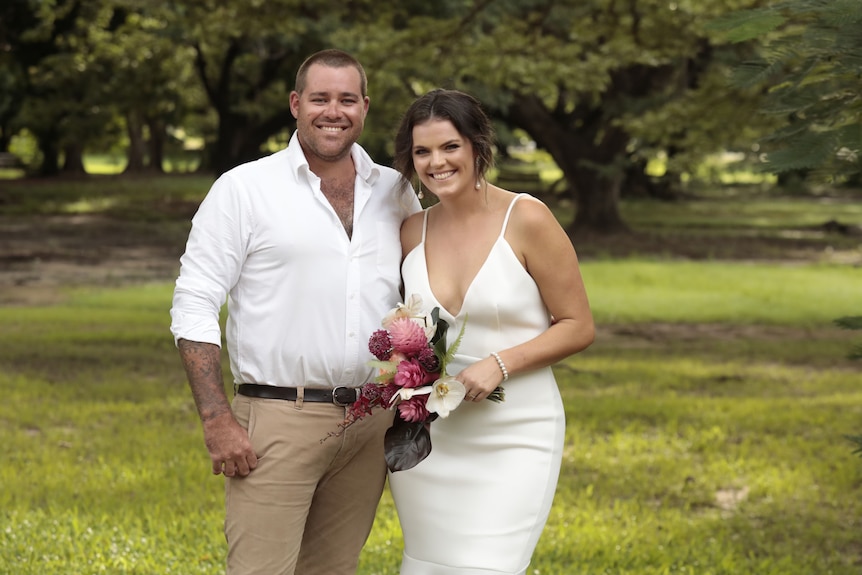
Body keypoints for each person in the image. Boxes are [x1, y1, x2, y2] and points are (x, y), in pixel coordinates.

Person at [169, 49, 421, 575]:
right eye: (320, 98)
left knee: (333, 568)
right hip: (278, 420)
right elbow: (194, 301)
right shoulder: (244, 189)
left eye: (347, 99)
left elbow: (420, 293)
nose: (334, 111)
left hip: (369, 422)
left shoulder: (396, 191)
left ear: (365, 107)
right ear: (295, 104)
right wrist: (216, 418)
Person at [387, 89, 595, 574]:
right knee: (427, 566)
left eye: (449, 147)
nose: (436, 162)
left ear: (478, 145)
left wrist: (500, 364)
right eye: (422, 152)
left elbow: (578, 326)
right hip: (431, 438)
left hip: (516, 432)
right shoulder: (410, 232)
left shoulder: (526, 218)